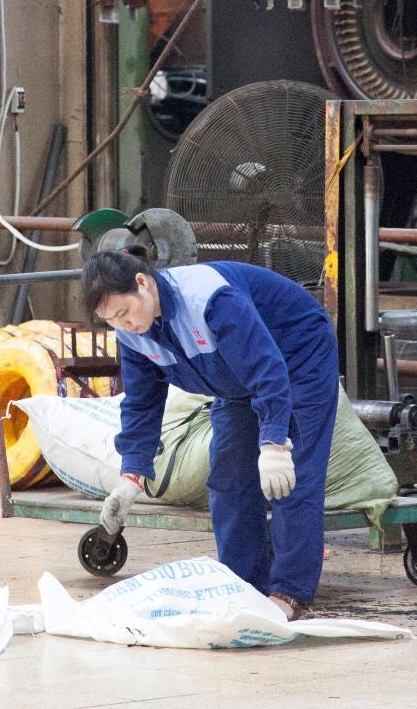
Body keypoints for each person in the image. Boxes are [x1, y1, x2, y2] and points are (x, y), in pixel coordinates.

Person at [86, 251, 338, 620]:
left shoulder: (210, 300)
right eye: (111, 321)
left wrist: (273, 442)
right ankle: (243, 584)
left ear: (143, 283)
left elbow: (268, 369)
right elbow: (141, 404)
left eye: (124, 312)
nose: (124, 325)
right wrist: (133, 472)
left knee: (290, 476)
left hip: (298, 356)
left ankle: (289, 593)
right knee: (229, 476)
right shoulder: (133, 336)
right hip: (235, 380)